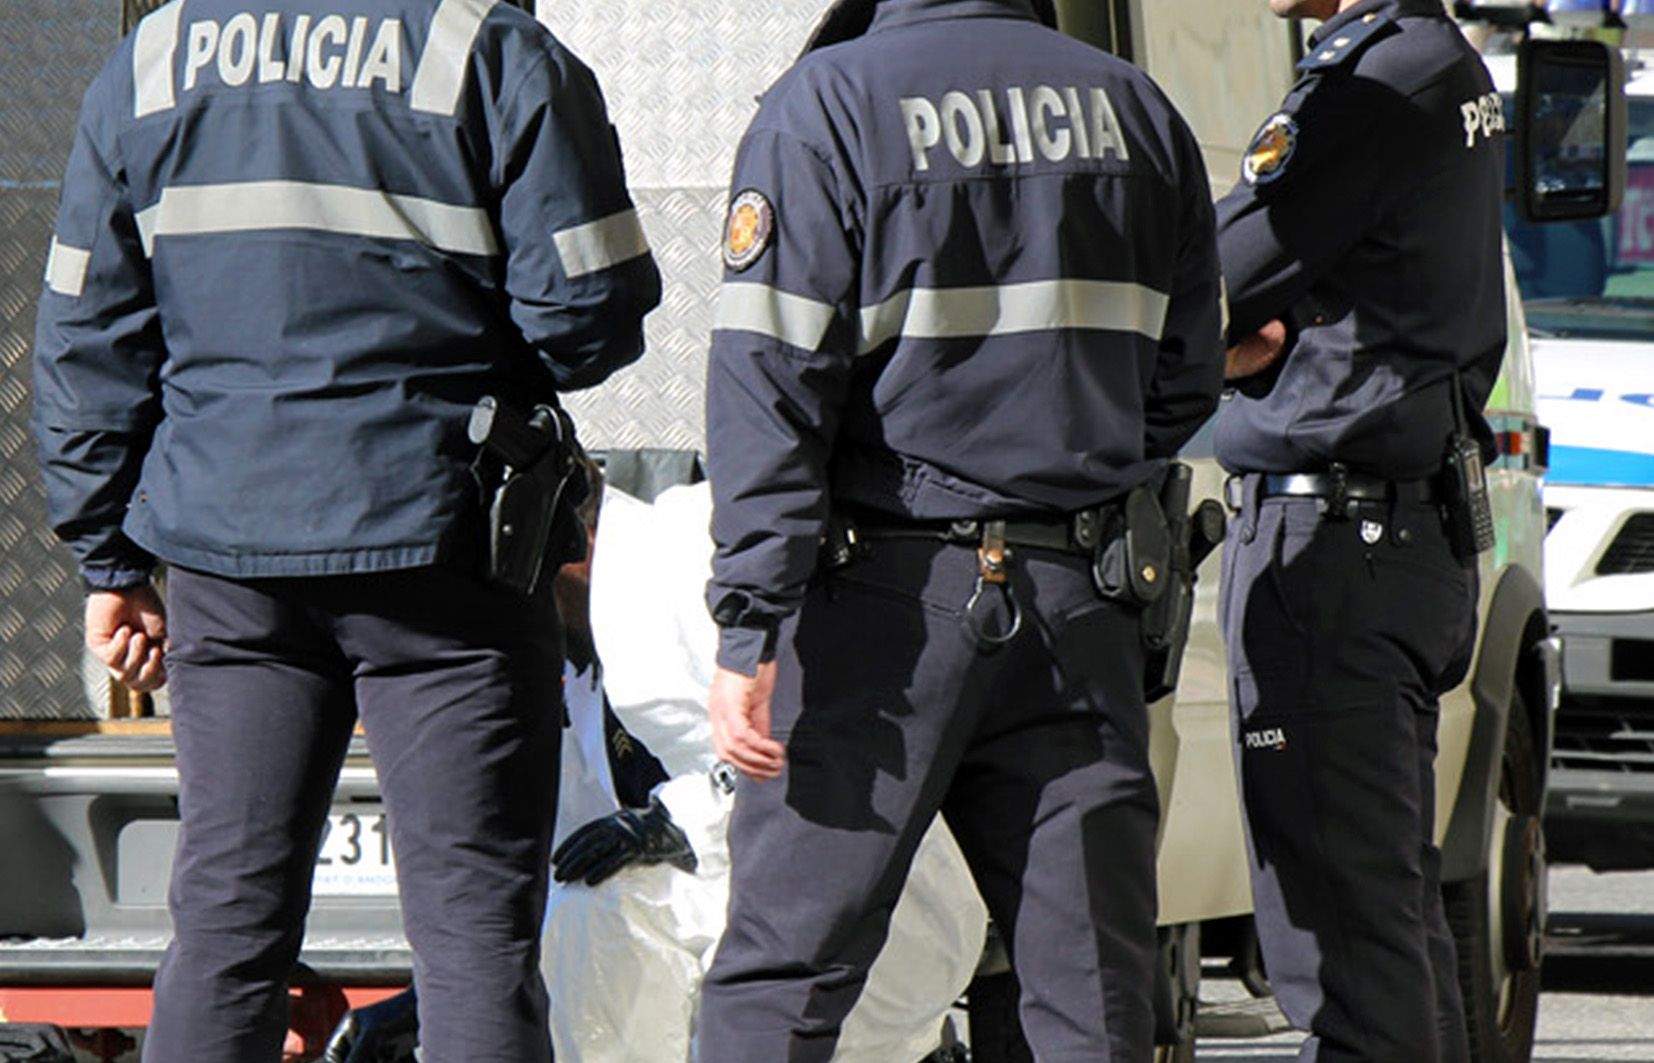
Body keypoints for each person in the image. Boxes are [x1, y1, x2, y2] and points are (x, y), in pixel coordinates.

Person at [31, 0, 660, 1058]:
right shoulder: (486, 48)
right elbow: (587, 317)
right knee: (472, 942)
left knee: (227, 927)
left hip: (227, 562)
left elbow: (87, 331)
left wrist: (111, 555)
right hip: (441, 552)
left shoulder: (152, 59)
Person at [695, 0, 1226, 1058]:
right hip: (1083, 602)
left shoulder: (829, 104)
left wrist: (748, 622)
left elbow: (770, 384)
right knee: (1090, 993)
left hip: (884, 614)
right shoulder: (1138, 111)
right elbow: (1185, 379)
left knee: (786, 971)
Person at [321, 475, 988, 1063]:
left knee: (599, 913)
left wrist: (677, 818)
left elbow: (837, 734)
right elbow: (561, 870)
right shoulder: (576, 661)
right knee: (589, 904)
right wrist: (432, 1003)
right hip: (733, 934)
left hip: (857, 912)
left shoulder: (703, 546)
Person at [1215, 1, 1507, 1060]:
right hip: (1391, 534)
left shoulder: (1372, 85)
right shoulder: (1437, 65)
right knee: (1385, 915)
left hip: (1332, 542)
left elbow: (1212, 276)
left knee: (1341, 942)